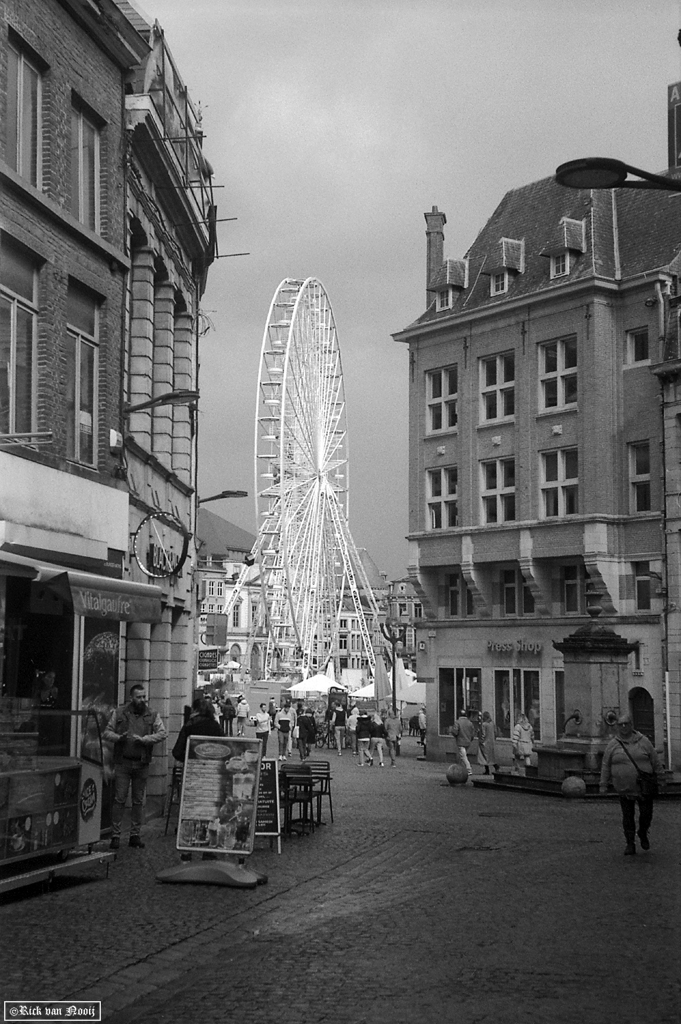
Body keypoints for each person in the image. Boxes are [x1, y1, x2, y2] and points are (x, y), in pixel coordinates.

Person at [104, 683, 167, 850]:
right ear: (131, 698)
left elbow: (162, 733)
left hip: (141, 762)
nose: (142, 700)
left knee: (138, 800)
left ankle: (135, 834)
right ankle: (116, 835)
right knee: (119, 798)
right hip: (123, 762)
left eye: (144, 697)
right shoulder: (119, 713)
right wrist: (119, 738)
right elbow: (107, 732)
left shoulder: (152, 714)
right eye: (139, 697)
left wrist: (145, 740)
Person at [599, 713, 665, 855]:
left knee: (646, 814)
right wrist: (603, 784)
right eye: (620, 724)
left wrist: (661, 777)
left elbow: (655, 760)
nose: (623, 727)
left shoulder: (643, 741)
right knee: (628, 816)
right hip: (624, 787)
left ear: (631, 725)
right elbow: (605, 765)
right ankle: (630, 843)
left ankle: (643, 832)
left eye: (626, 724)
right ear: (617, 727)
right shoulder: (613, 744)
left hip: (644, 787)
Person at [172, 696, 222, 763]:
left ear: (194, 710)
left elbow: (177, 752)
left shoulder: (189, 725)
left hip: (192, 766)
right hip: (212, 765)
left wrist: (188, 759)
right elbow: (224, 746)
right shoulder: (216, 726)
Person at [449, 709, 476, 778]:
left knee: (463, 757)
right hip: (468, 742)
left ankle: (468, 770)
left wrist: (454, 735)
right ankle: (461, 769)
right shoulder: (470, 723)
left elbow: (455, 732)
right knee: (462, 756)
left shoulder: (457, 722)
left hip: (460, 742)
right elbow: (473, 733)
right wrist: (470, 739)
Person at [477, 711, 500, 775]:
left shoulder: (484, 724)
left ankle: (488, 769)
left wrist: (481, 740)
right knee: (491, 757)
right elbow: (495, 732)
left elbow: (483, 734)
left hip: (485, 742)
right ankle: (495, 766)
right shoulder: (492, 723)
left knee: (484, 757)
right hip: (491, 741)